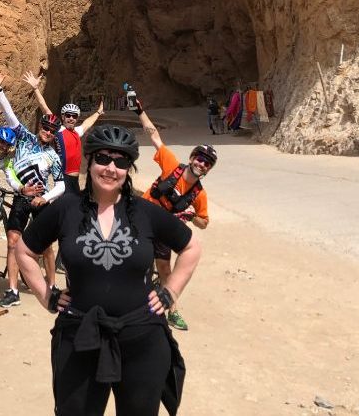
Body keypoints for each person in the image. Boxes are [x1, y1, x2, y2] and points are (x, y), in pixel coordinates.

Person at [15, 124, 201, 416]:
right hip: (80, 335)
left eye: (121, 161)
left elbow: (191, 247)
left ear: (129, 168)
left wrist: (170, 291)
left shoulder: (145, 211)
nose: (111, 168)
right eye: (103, 158)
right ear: (89, 162)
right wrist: (46, 295)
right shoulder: (66, 208)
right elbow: (24, 250)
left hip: (142, 337)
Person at [136, 100, 215, 331]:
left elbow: (204, 223)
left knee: (164, 269)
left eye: (207, 163)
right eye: (200, 159)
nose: (202, 164)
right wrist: (140, 111)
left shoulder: (200, 194)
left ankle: (173, 311)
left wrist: (191, 216)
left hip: (163, 227)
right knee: (130, 257)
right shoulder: (172, 166)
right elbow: (154, 137)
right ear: (192, 158)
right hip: (143, 216)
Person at [0, 71, 65, 308]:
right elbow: (10, 115)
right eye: (45, 127)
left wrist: (45, 197)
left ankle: (52, 285)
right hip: (21, 197)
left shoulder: (53, 155)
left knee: (45, 247)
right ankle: (13, 290)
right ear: (40, 126)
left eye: (52, 131)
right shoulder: (25, 138)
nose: (48, 132)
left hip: (41, 201)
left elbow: (62, 184)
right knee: (13, 242)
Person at [22, 71, 105, 195]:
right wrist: (35, 89)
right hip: (63, 177)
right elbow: (45, 108)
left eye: (74, 116)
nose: (71, 118)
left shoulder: (77, 132)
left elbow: (87, 123)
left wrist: (98, 112)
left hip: (75, 179)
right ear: (63, 116)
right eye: (68, 115)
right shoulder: (59, 129)